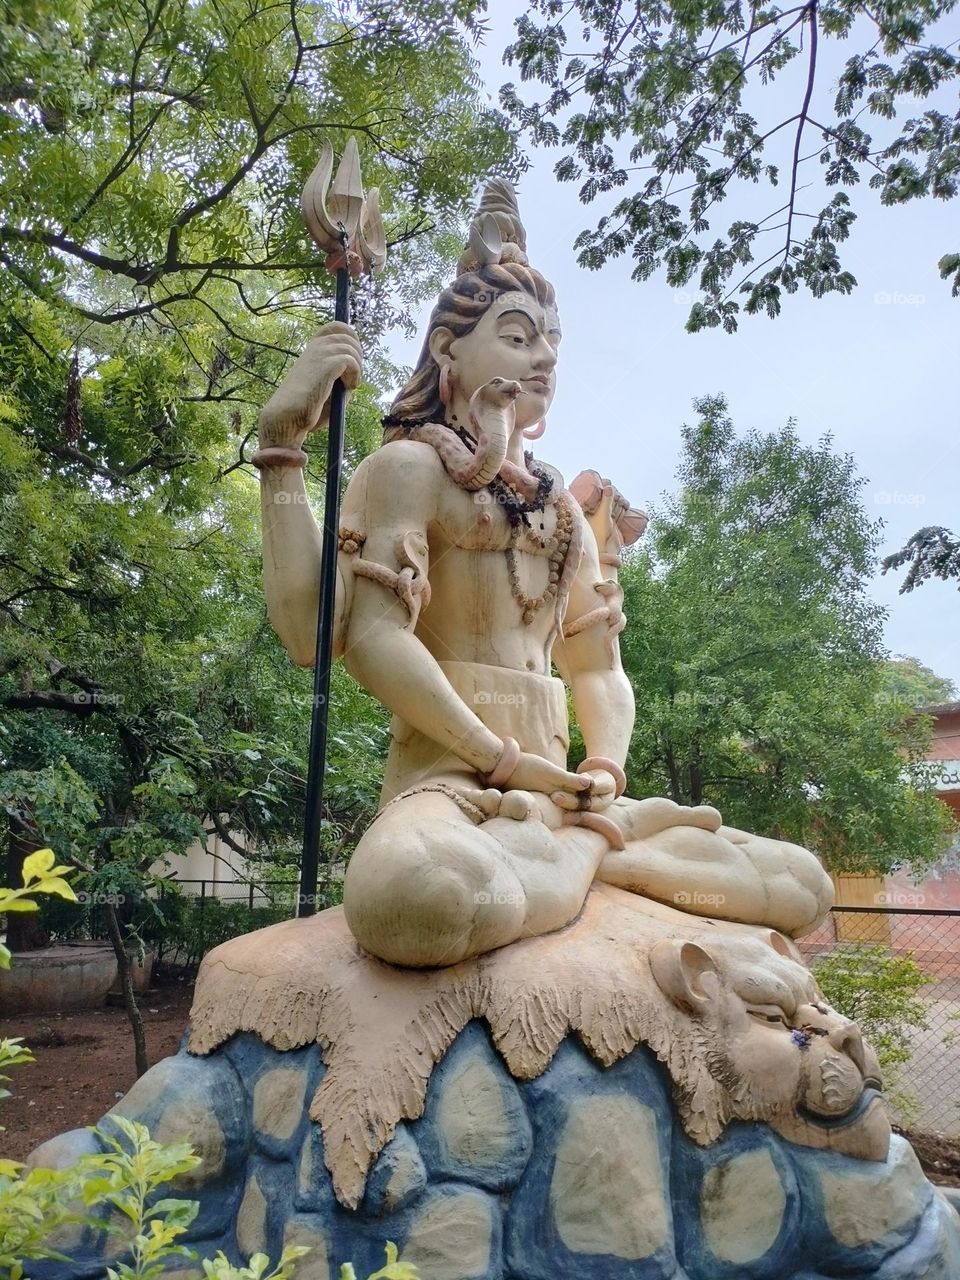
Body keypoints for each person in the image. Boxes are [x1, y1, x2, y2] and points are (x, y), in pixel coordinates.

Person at [254, 180, 834, 968]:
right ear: (448, 351)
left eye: (551, 343)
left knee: (801, 884)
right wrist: (497, 758)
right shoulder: (407, 472)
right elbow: (361, 637)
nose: (544, 359)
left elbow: (597, 668)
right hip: (452, 784)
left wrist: (601, 769)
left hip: (565, 795)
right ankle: (597, 859)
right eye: (520, 337)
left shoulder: (562, 515)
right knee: (417, 898)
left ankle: (582, 848)